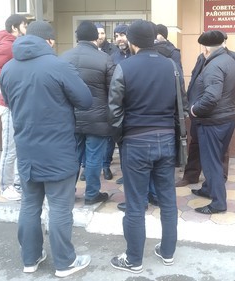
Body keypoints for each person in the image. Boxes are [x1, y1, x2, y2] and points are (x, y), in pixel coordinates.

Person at [0, 21, 93, 277]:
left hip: (27, 151)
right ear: (49, 41)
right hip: (58, 150)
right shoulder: (59, 66)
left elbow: (9, 102)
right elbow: (85, 100)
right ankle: (65, 263)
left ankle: (30, 259)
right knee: (60, 208)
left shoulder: (7, 69)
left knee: (30, 205)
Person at [108, 19, 179, 274]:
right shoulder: (171, 66)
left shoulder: (124, 67)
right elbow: (179, 103)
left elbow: (114, 110)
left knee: (135, 203)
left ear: (132, 41)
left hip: (136, 141)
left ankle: (134, 259)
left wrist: (120, 139)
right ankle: (168, 252)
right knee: (168, 198)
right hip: (167, 139)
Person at [175, 31, 235, 187]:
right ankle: (191, 175)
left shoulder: (234, 57)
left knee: (220, 149)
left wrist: (232, 99)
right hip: (199, 110)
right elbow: (195, 77)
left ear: (223, 42)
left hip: (218, 112)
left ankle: (218, 179)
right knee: (195, 142)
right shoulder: (202, 57)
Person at [61, 20, 115, 205]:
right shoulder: (105, 59)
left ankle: (68, 193)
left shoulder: (64, 58)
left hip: (70, 118)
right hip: (98, 118)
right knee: (94, 158)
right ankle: (92, 194)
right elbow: (113, 91)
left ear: (77, 37)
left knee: (72, 157)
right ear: (95, 38)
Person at [190, 30, 235, 214]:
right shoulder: (230, 60)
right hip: (227, 118)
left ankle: (218, 202)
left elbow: (211, 97)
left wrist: (195, 109)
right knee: (216, 158)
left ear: (205, 47)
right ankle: (207, 189)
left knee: (212, 163)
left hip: (213, 122)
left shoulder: (213, 65)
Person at [0, 14, 28, 201]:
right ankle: (5, 186)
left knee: (19, 147)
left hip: (17, 103)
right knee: (10, 149)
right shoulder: (8, 46)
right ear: (15, 28)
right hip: (8, 105)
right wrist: (10, 78)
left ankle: (17, 184)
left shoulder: (15, 45)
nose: (27, 28)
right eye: (25, 25)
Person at [105, 24, 132, 183]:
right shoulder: (113, 57)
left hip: (134, 105)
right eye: (116, 36)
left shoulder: (135, 54)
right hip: (118, 107)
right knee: (121, 144)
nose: (119, 39)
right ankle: (125, 173)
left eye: (122, 35)